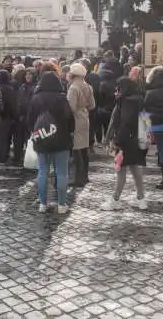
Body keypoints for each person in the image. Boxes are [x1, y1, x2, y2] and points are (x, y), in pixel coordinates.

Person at [28, 71, 75, 214]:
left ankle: (42, 204)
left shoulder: (35, 98)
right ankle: (61, 205)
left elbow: (29, 120)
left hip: (41, 139)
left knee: (42, 171)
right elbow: (70, 119)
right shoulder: (62, 98)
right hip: (61, 140)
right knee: (61, 173)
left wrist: (34, 133)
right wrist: (70, 132)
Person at [101, 77, 147, 210]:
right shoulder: (139, 100)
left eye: (119, 87)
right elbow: (146, 121)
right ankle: (141, 198)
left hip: (124, 141)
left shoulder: (125, 102)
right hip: (136, 141)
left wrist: (117, 141)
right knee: (134, 169)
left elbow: (124, 123)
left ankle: (114, 200)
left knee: (120, 170)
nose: (116, 90)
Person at [66, 63, 94, 187]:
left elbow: (70, 108)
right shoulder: (88, 86)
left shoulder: (73, 88)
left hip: (76, 119)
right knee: (84, 150)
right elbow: (92, 105)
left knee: (77, 150)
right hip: (85, 117)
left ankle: (79, 179)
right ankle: (85, 176)